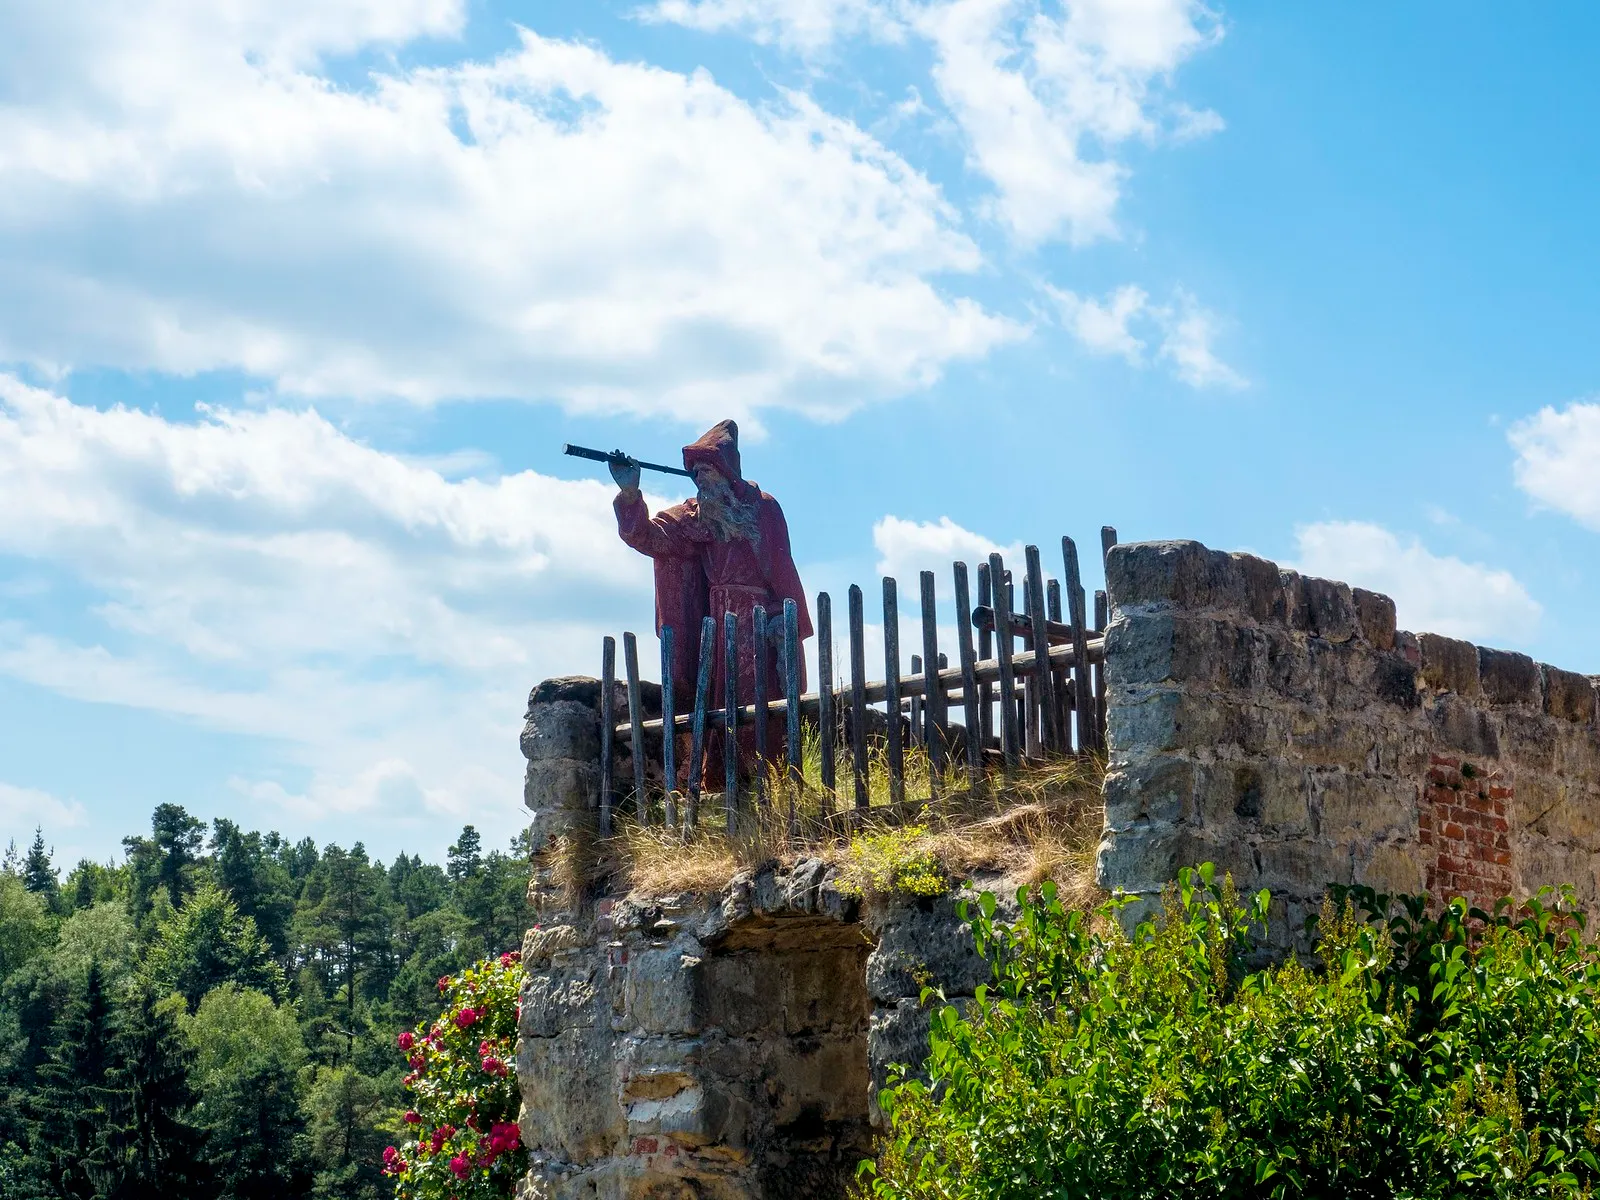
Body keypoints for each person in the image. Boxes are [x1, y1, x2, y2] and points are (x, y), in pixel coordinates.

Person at [611, 420, 811, 788]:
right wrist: (629, 495)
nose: (700, 481)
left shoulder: (762, 508)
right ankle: (721, 781)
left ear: (725, 472)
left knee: (762, 699)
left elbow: (782, 569)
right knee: (717, 700)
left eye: (707, 472)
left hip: (760, 618)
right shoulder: (694, 517)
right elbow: (650, 538)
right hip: (715, 624)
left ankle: (772, 783)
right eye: (696, 475)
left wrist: (786, 622)